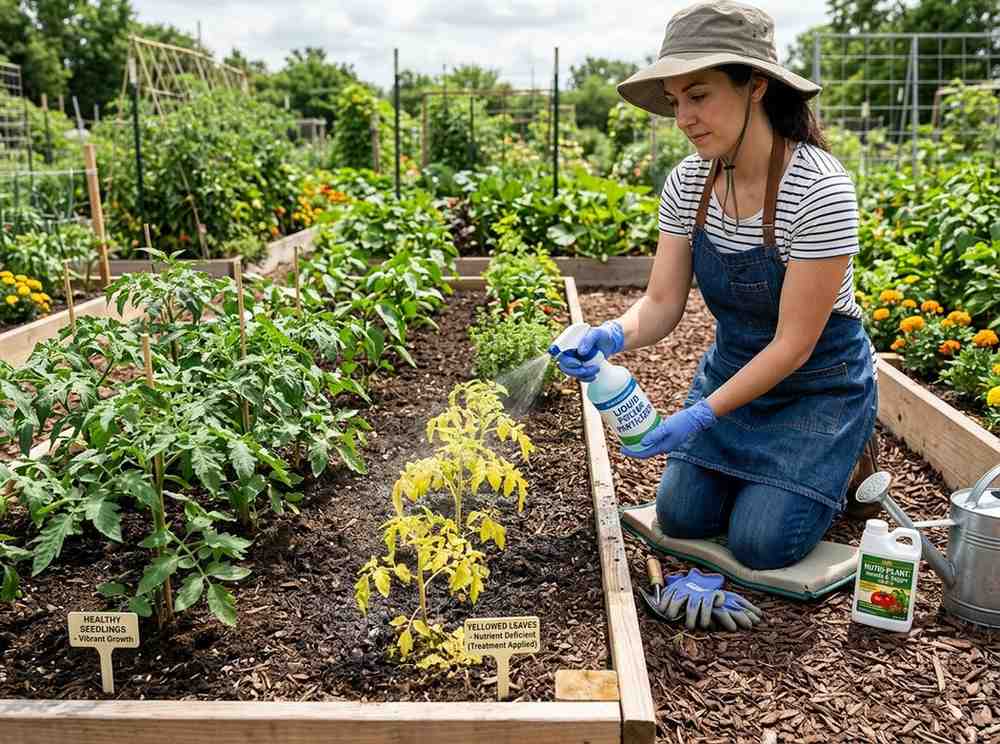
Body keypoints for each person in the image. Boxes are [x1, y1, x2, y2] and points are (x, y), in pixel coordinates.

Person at [552, 0, 880, 572]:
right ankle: (770, 481)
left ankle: (844, 460)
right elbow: (660, 304)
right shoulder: (687, 183)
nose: (683, 117)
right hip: (734, 372)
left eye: (698, 95)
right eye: (677, 101)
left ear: (755, 85)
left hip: (817, 385)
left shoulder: (819, 189)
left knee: (761, 542)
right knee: (680, 515)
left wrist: (700, 416)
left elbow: (794, 345)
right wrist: (610, 335)